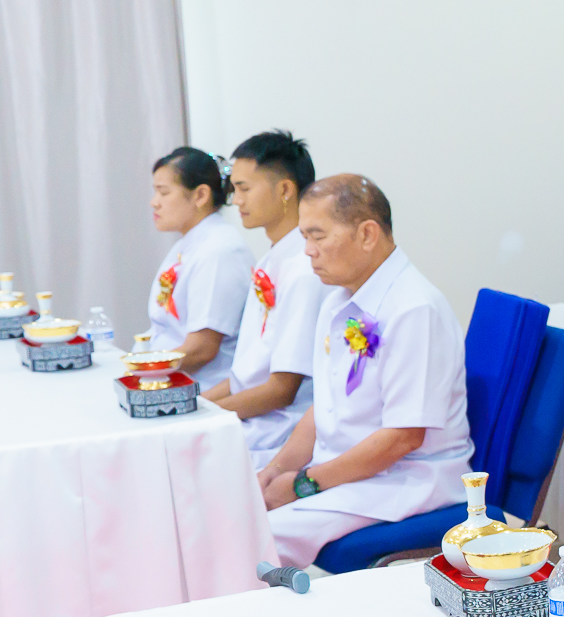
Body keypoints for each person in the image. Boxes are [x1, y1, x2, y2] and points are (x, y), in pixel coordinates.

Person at [259, 176, 472, 568]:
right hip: (348, 474)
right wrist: (274, 471)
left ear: (368, 234)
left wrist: (304, 484)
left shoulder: (413, 309)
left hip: (407, 481)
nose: (308, 251)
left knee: (256, 539)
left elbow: (402, 438)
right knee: (242, 510)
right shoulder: (339, 299)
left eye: (318, 236)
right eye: (304, 237)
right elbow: (321, 409)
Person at [203, 131, 322, 467]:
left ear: (285, 190)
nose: (235, 200)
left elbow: (281, 391)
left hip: (280, 428)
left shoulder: (304, 268)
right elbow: (248, 373)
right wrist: (193, 403)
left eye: (244, 188)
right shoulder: (275, 258)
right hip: (254, 415)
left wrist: (200, 415)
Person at [147, 147, 254, 390]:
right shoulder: (190, 244)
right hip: (175, 378)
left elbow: (201, 349)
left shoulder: (219, 251)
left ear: (201, 195)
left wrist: (144, 369)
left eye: (163, 192)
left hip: (202, 388)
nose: (154, 203)